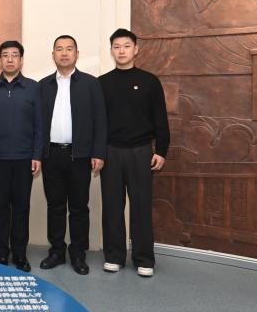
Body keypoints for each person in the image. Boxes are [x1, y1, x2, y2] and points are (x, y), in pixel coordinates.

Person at [99, 28, 170, 277]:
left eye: (126, 46)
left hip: (141, 152)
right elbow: (97, 122)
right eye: (117, 46)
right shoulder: (102, 83)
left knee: (141, 206)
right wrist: (97, 152)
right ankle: (114, 256)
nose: (122, 51)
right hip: (110, 152)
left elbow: (160, 118)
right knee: (112, 206)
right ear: (111, 51)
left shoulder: (150, 81)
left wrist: (161, 150)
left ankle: (144, 258)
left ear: (135, 49)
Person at [38, 35, 107, 275]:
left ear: (77, 54)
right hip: (51, 154)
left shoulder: (90, 84)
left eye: (69, 49)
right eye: (59, 49)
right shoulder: (43, 85)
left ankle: (78, 253)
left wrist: (98, 152)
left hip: (80, 155)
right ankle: (56, 251)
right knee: (55, 206)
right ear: (53, 55)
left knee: (79, 207)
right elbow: (37, 124)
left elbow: (100, 120)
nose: (64, 53)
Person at [0, 40, 43, 271]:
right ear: (0, 59)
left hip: (24, 158)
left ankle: (20, 254)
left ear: (21, 60)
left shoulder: (33, 88)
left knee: (21, 207)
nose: (10, 59)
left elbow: (40, 125)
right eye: (5, 55)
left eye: (14, 55)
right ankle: (1, 253)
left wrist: (37, 155)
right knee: (0, 206)